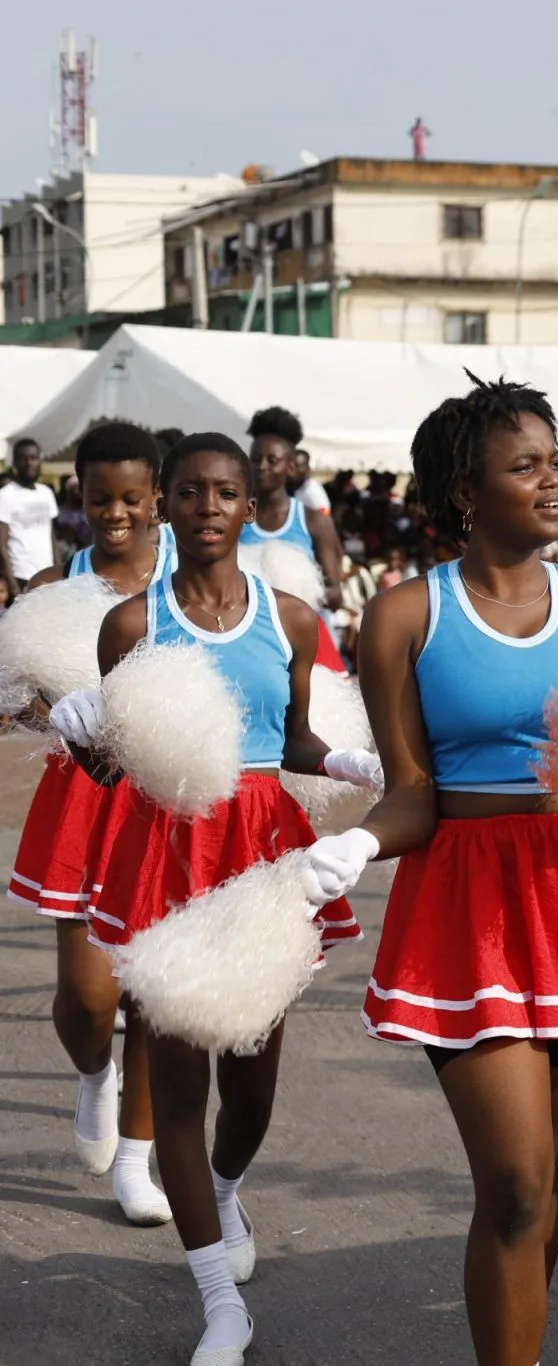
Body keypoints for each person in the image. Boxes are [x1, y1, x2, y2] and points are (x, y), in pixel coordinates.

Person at [337, 376, 558, 1366]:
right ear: (465, 493)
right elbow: (412, 794)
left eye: (556, 461)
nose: (554, 482)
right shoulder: (403, 616)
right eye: (526, 466)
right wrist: (353, 844)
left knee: (541, 1183)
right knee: (517, 1184)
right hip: (464, 907)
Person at [50, 431, 375, 1366]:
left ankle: (227, 1191)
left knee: (254, 1090)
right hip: (168, 856)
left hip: (263, 855)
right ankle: (219, 1306)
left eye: (224, 492)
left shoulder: (291, 618)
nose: (207, 508)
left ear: (247, 503)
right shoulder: (130, 626)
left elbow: (296, 739)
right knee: (181, 1089)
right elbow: (116, 765)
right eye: (189, 491)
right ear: (164, 502)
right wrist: (83, 735)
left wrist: (348, 762)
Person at [10, 422, 175, 1228]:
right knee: (86, 997)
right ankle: (92, 1074)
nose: (115, 513)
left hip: (168, 796)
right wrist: (52, 715)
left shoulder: (190, 578)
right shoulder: (55, 584)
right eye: (100, 497)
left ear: (156, 499)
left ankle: (138, 1161)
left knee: (151, 991)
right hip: (81, 796)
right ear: (78, 497)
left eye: (131, 498)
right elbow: (13, 695)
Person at [244, 408, 345, 610]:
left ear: (290, 466)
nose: (262, 466)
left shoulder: (313, 520)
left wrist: (294, 591)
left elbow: (335, 596)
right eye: (255, 459)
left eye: (272, 460)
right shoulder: (235, 517)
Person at [0, 436, 61, 589]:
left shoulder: (46, 493)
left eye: (33, 458)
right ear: (15, 462)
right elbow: (1, 544)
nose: (29, 463)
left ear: (40, 460)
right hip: (21, 576)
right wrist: (12, 585)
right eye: (23, 459)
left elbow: (52, 537)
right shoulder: (6, 495)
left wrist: (59, 571)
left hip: (48, 575)